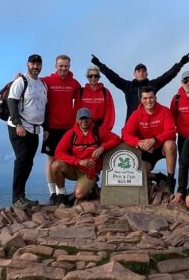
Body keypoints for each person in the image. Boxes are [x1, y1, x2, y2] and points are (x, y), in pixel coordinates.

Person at [91, 52, 189, 121]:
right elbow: (113, 76)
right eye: (139, 71)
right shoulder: (127, 86)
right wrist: (100, 65)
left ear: (147, 74)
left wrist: (180, 64)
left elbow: (167, 76)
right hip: (132, 123)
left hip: (150, 123)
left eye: (144, 71)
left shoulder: (152, 85)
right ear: (134, 74)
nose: (141, 73)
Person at [52, 108, 121, 205]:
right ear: (77, 120)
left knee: (79, 194)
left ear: (91, 119)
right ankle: (62, 194)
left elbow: (116, 139)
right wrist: (78, 161)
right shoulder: (71, 134)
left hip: (89, 172)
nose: (84, 121)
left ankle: (90, 188)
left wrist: (102, 147)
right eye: (81, 118)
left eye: (86, 118)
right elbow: (58, 153)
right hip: (74, 169)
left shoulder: (98, 131)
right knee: (56, 165)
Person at [7, 54, 47, 209]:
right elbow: (11, 101)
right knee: (22, 161)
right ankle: (17, 198)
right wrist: (18, 124)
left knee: (28, 163)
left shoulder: (42, 84)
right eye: (33, 63)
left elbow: (44, 107)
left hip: (34, 130)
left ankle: (21, 196)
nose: (35, 66)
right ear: (27, 65)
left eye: (38, 64)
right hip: (20, 128)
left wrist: (46, 128)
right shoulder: (21, 81)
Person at [41, 55, 81, 204]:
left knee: (63, 159)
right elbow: (31, 82)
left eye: (66, 66)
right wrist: (19, 77)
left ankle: (61, 193)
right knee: (51, 158)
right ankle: (53, 194)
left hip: (69, 128)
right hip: (51, 127)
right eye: (61, 66)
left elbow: (78, 105)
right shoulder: (47, 81)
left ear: (70, 66)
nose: (63, 68)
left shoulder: (74, 84)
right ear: (56, 66)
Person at [121, 86, 177, 192]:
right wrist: (138, 143)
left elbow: (171, 132)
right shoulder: (136, 114)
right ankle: (158, 176)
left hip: (161, 147)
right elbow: (125, 134)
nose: (148, 101)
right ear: (141, 100)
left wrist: (154, 140)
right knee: (138, 176)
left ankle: (170, 181)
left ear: (155, 98)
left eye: (151, 98)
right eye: (145, 98)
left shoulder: (165, 111)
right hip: (146, 150)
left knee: (170, 144)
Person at [78, 65, 116, 133]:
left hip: (100, 127)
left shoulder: (105, 92)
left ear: (99, 77)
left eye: (96, 76)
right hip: (83, 127)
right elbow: (76, 111)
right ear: (87, 77)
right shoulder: (81, 92)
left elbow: (110, 112)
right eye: (90, 76)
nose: (93, 78)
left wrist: (104, 130)